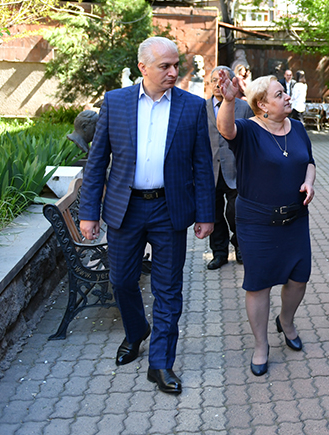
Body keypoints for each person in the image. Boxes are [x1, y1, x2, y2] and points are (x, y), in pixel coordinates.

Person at [79, 36, 215, 395]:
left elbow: (203, 165)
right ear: (143, 67)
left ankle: (161, 363)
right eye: (164, 66)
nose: (173, 72)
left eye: (176, 65)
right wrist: (89, 213)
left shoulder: (191, 106)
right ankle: (137, 330)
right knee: (122, 280)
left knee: (168, 288)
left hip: (170, 209)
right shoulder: (116, 102)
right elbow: (96, 162)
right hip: (125, 208)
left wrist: (206, 214)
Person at [216, 74, 315, 377]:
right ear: (262, 105)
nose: (287, 97)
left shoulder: (297, 128)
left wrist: (309, 182)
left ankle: (286, 321)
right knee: (259, 284)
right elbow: (225, 129)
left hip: (295, 220)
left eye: (285, 92)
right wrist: (229, 100)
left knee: (299, 278)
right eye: (279, 94)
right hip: (257, 222)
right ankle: (261, 345)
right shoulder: (248, 130)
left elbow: (309, 161)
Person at [206, 66, 254, 270]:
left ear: (232, 83)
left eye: (222, 80)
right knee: (214, 214)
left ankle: (240, 245)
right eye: (214, 81)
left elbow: (251, 138)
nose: (218, 84)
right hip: (210, 170)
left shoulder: (244, 108)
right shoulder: (201, 108)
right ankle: (219, 253)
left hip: (236, 168)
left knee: (235, 212)